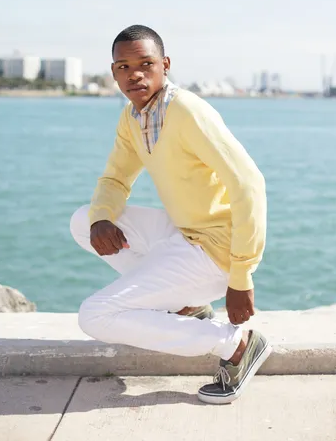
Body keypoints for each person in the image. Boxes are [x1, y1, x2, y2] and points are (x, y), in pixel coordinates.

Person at [70, 24, 271, 404]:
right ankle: (184, 306)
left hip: (217, 249)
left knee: (94, 316)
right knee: (84, 221)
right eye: (123, 67)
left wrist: (241, 276)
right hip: (185, 232)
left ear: (165, 65)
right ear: (114, 73)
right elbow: (115, 178)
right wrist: (101, 218)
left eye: (146, 64)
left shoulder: (187, 111)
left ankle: (237, 344)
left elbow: (249, 185)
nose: (135, 75)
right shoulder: (133, 118)